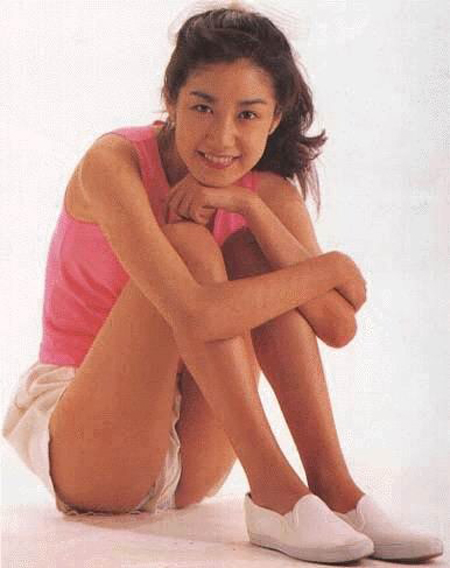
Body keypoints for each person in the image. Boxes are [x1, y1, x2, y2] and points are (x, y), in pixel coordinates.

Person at [2, 3, 443, 565]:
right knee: (189, 245)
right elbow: (198, 315)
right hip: (90, 433)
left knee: (253, 253)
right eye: (203, 107)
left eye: (248, 114)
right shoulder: (114, 163)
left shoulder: (268, 192)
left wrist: (251, 210)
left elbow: (336, 326)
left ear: (275, 118)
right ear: (171, 99)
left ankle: (336, 489)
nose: (222, 136)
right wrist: (332, 268)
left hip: (198, 433)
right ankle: (275, 493)